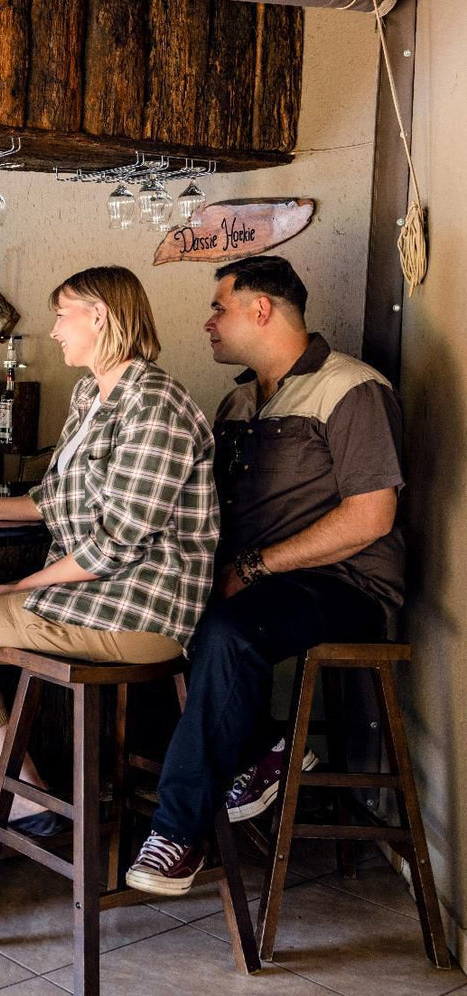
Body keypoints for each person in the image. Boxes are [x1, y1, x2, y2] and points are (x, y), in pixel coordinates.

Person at [0, 266, 218, 842]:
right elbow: (54, 500)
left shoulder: (155, 405)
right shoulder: (91, 395)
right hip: (92, 598)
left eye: (61, 315)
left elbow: (120, 537)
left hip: (139, 612)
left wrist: (31, 585)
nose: (54, 331)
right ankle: (29, 796)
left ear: (99, 316)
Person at [126, 256, 404, 895]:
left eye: (219, 307)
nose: (208, 323)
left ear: (261, 308)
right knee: (152, 618)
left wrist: (251, 569)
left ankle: (178, 833)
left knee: (228, 630)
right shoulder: (237, 400)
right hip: (253, 584)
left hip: (346, 583)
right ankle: (261, 750)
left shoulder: (352, 387)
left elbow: (371, 516)